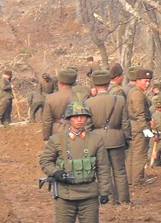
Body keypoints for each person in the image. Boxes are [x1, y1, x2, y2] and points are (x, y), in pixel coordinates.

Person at [39, 102, 111, 223]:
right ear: (69, 119)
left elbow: (103, 167)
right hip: (65, 195)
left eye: (82, 116)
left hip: (89, 195)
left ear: (87, 118)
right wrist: (56, 172)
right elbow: (45, 161)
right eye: (75, 117)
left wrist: (104, 191)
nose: (79, 120)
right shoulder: (57, 140)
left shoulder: (96, 140)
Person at [86, 70, 131, 204]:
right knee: (120, 171)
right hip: (117, 138)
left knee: (103, 172)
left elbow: (87, 126)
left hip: (98, 140)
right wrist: (126, 139)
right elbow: (125, 123)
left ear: (94, 85)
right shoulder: (120, 100)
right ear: (108, 84)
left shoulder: (88, 103)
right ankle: (124, 200)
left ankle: (110, 200)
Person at [126, 68, 154, 186]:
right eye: (145, 81)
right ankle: (137, 180)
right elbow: (139, 114)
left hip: (135, 126)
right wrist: (145, 128)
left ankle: (130, 179)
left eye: (149, 81)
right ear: (137, 81)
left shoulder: (135, 92)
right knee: (140, 154)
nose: (147, 84)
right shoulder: (137, 94)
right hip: (139, 127)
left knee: (133, 153)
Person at [42, 67, 78, 139]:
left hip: (56, 131)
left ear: (59, 82)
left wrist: (46, 137)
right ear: (74, 82)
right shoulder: (79, 97)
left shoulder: (50, 98)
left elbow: (47, 120)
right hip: (74, 132)